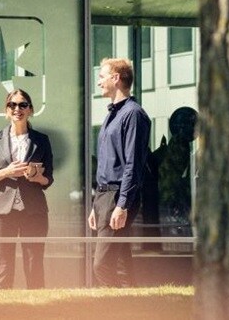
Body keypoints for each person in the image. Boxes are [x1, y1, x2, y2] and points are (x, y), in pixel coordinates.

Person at [0, 89, 54, 289]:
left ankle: (38, 312)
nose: (17, 109)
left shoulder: (42, 140)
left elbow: (49, 179)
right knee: (3, 265)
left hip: (34, 211)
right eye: (12, 105)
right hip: (1, 212)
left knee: (34, 264)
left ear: (30, 110)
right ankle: (3, 312)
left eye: (23, 105)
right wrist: (5, 172)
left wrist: (38, 177)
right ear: (6, 110)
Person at [89, 57, 151, 287]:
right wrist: (96, 204)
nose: (99, 83)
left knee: (102, 265)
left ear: (116, 78)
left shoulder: (133, 115)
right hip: (105, 197)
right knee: (121, 263)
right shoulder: (112, 115)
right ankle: (130, 306)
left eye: (102, 76)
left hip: (118, 196)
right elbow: (106, 165)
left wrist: (122, 205)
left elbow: (133, 165)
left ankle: (114, 308)